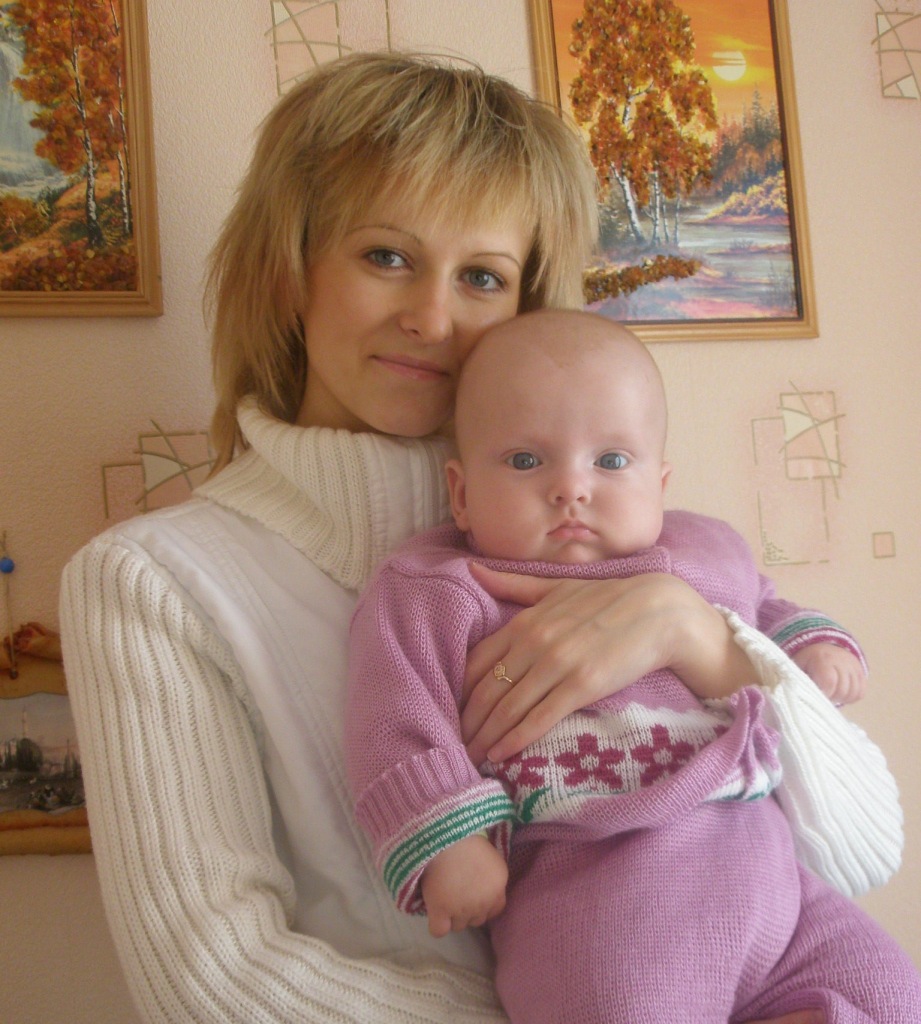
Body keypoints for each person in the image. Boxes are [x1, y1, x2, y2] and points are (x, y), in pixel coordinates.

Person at [57, 51, 894, 1024]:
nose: (432, 317)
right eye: (386, 256)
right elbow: (212, 981)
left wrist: (703, 641)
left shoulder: (608, 532)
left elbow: (864, 853)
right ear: (290, 272)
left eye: (483, 276)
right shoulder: (151, 585)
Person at [347, 309, 921, 1023]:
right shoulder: (438, 586)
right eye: (525, 461)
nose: (571, 488)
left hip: (772, 877)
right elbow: (394, 715)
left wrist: (813, 645)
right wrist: (450, 840)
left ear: (661, 482)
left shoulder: (702, 552)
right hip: (602, 899)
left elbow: (763, 610)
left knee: (888, 993)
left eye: (611, 461)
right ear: (461, 494)